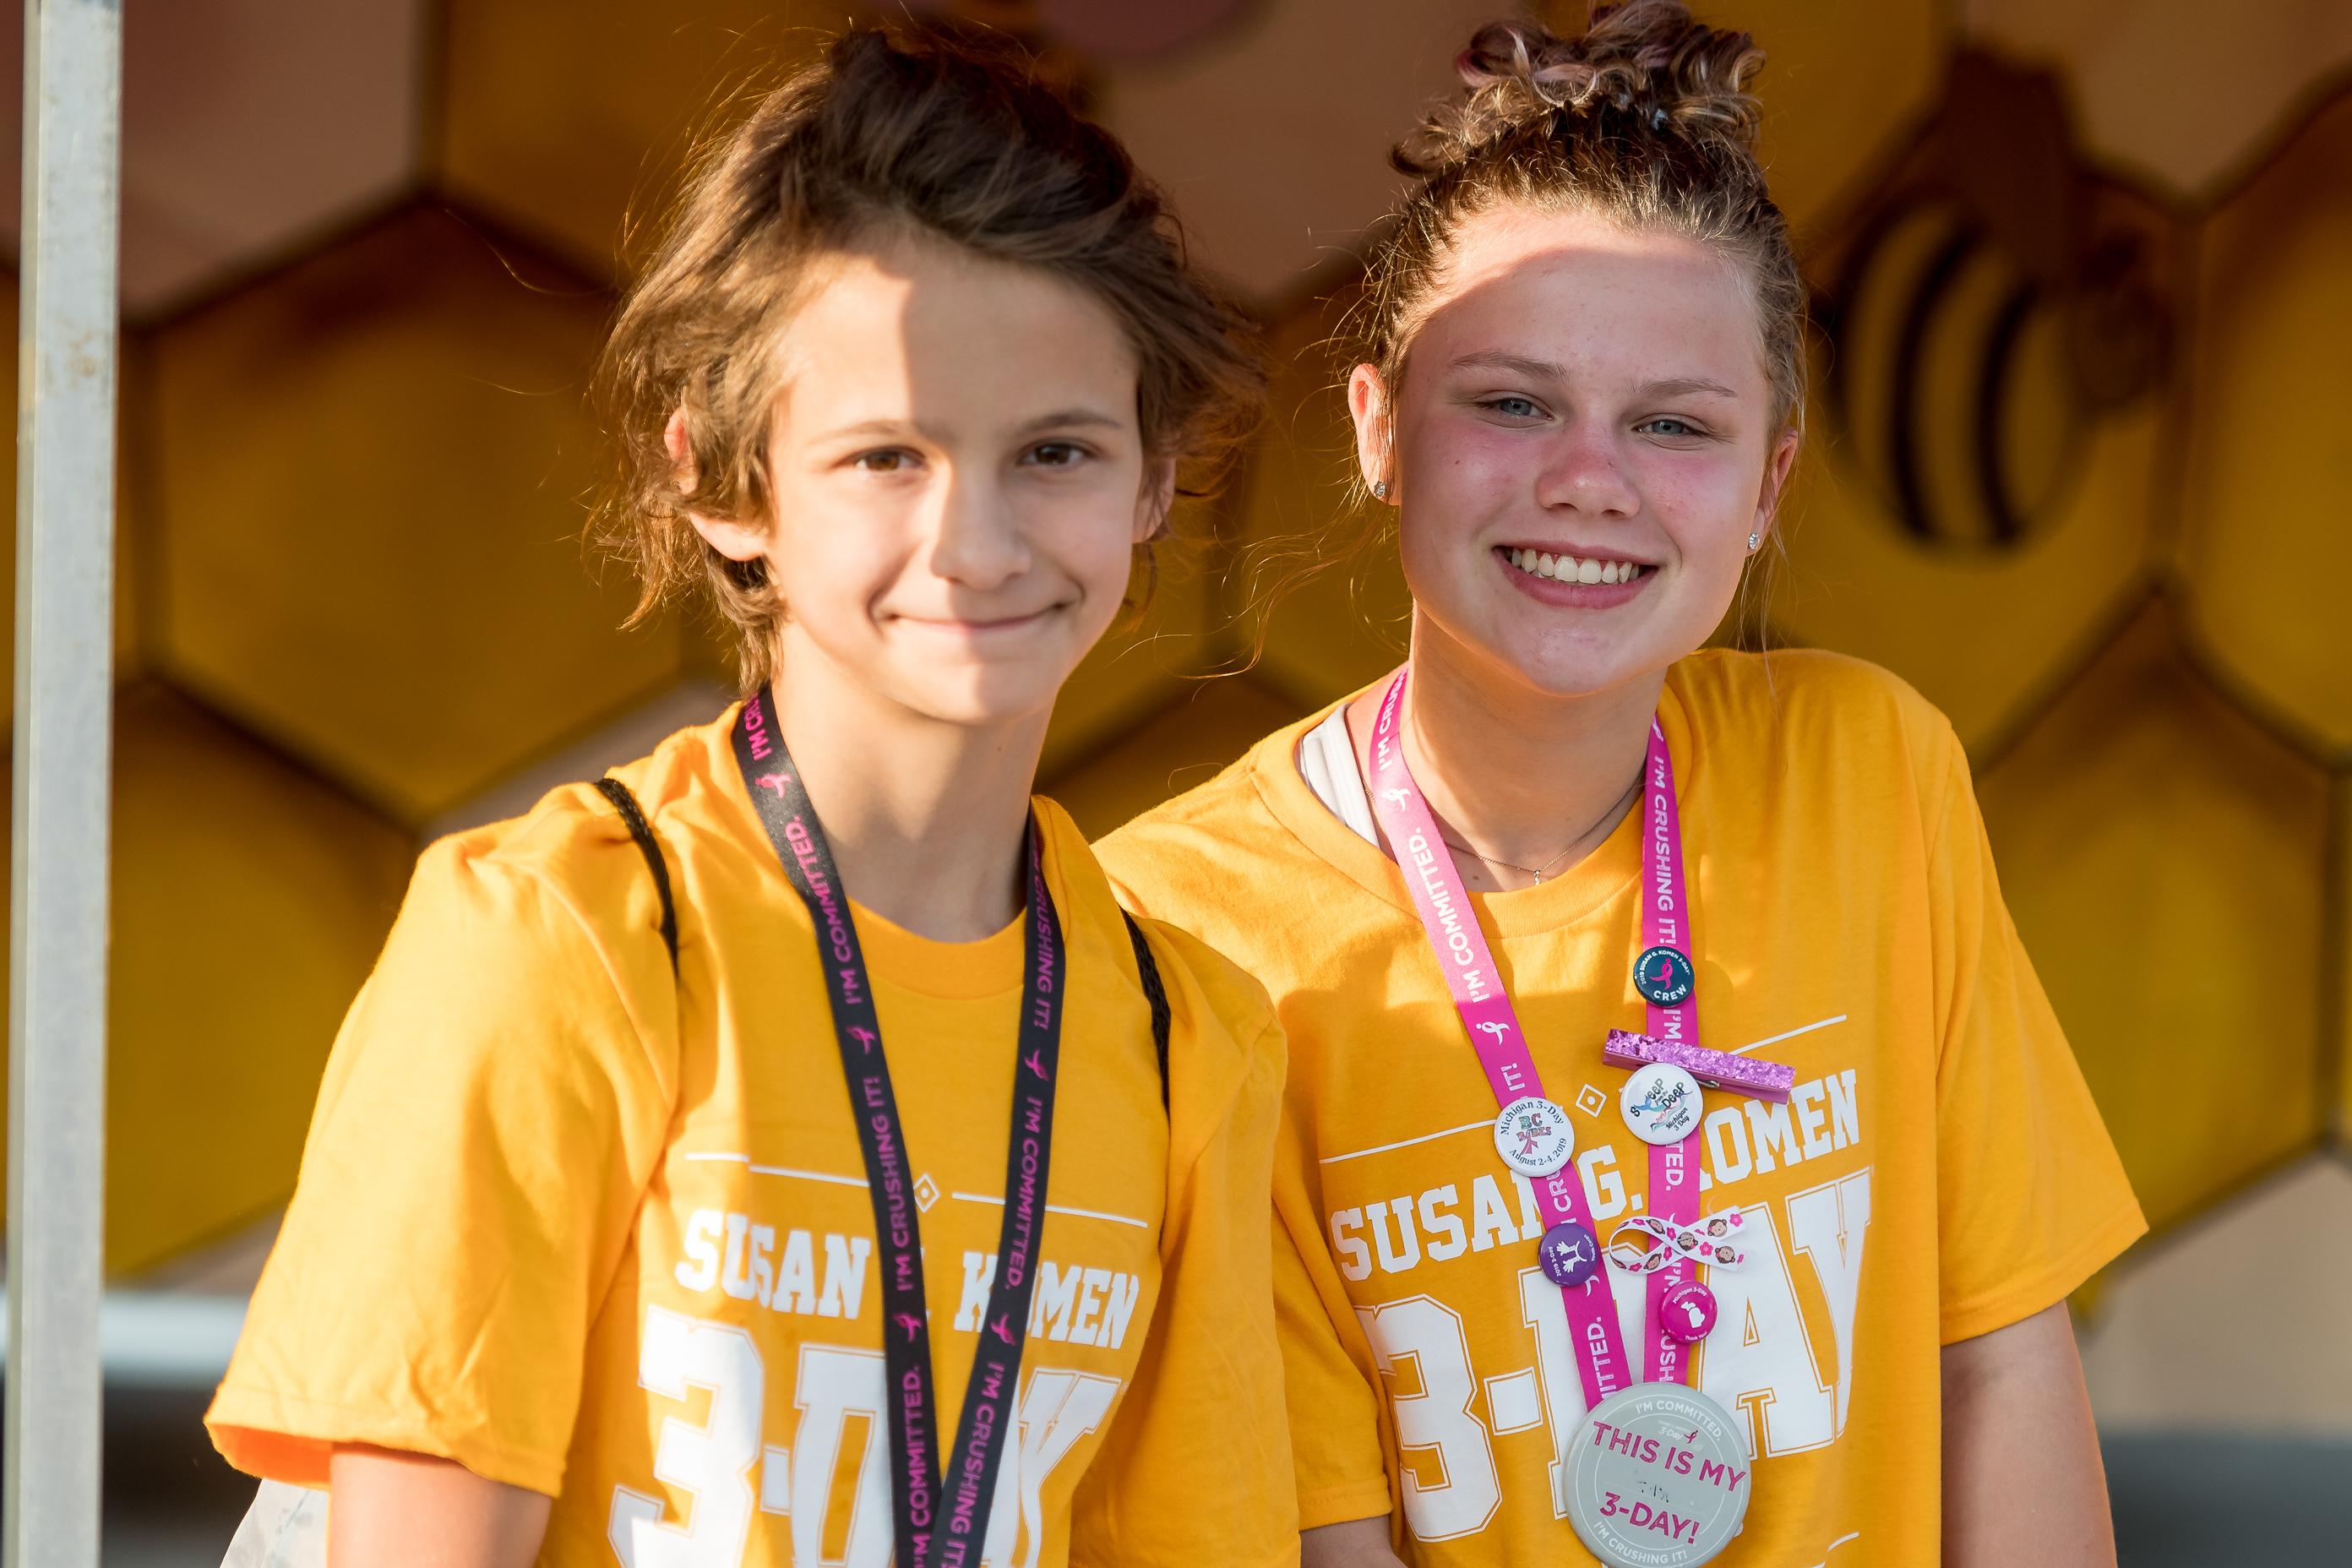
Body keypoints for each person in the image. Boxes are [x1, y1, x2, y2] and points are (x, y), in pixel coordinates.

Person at [207, 24, 1297, 1568]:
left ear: (1155, 481)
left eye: (1054, 451)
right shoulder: (564, 935)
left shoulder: (1189, 1034)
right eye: (887, 457)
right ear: (725, 484)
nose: (976, 544)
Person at [1095, 5, 2143, 1566]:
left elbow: (1997, 1363)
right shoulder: (1177, 931)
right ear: (1380, 428)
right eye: (1513, 403)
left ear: (1771, 480)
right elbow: (1312, 1529)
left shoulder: (1870, 772)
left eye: (1673, 425)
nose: (1590, 480)